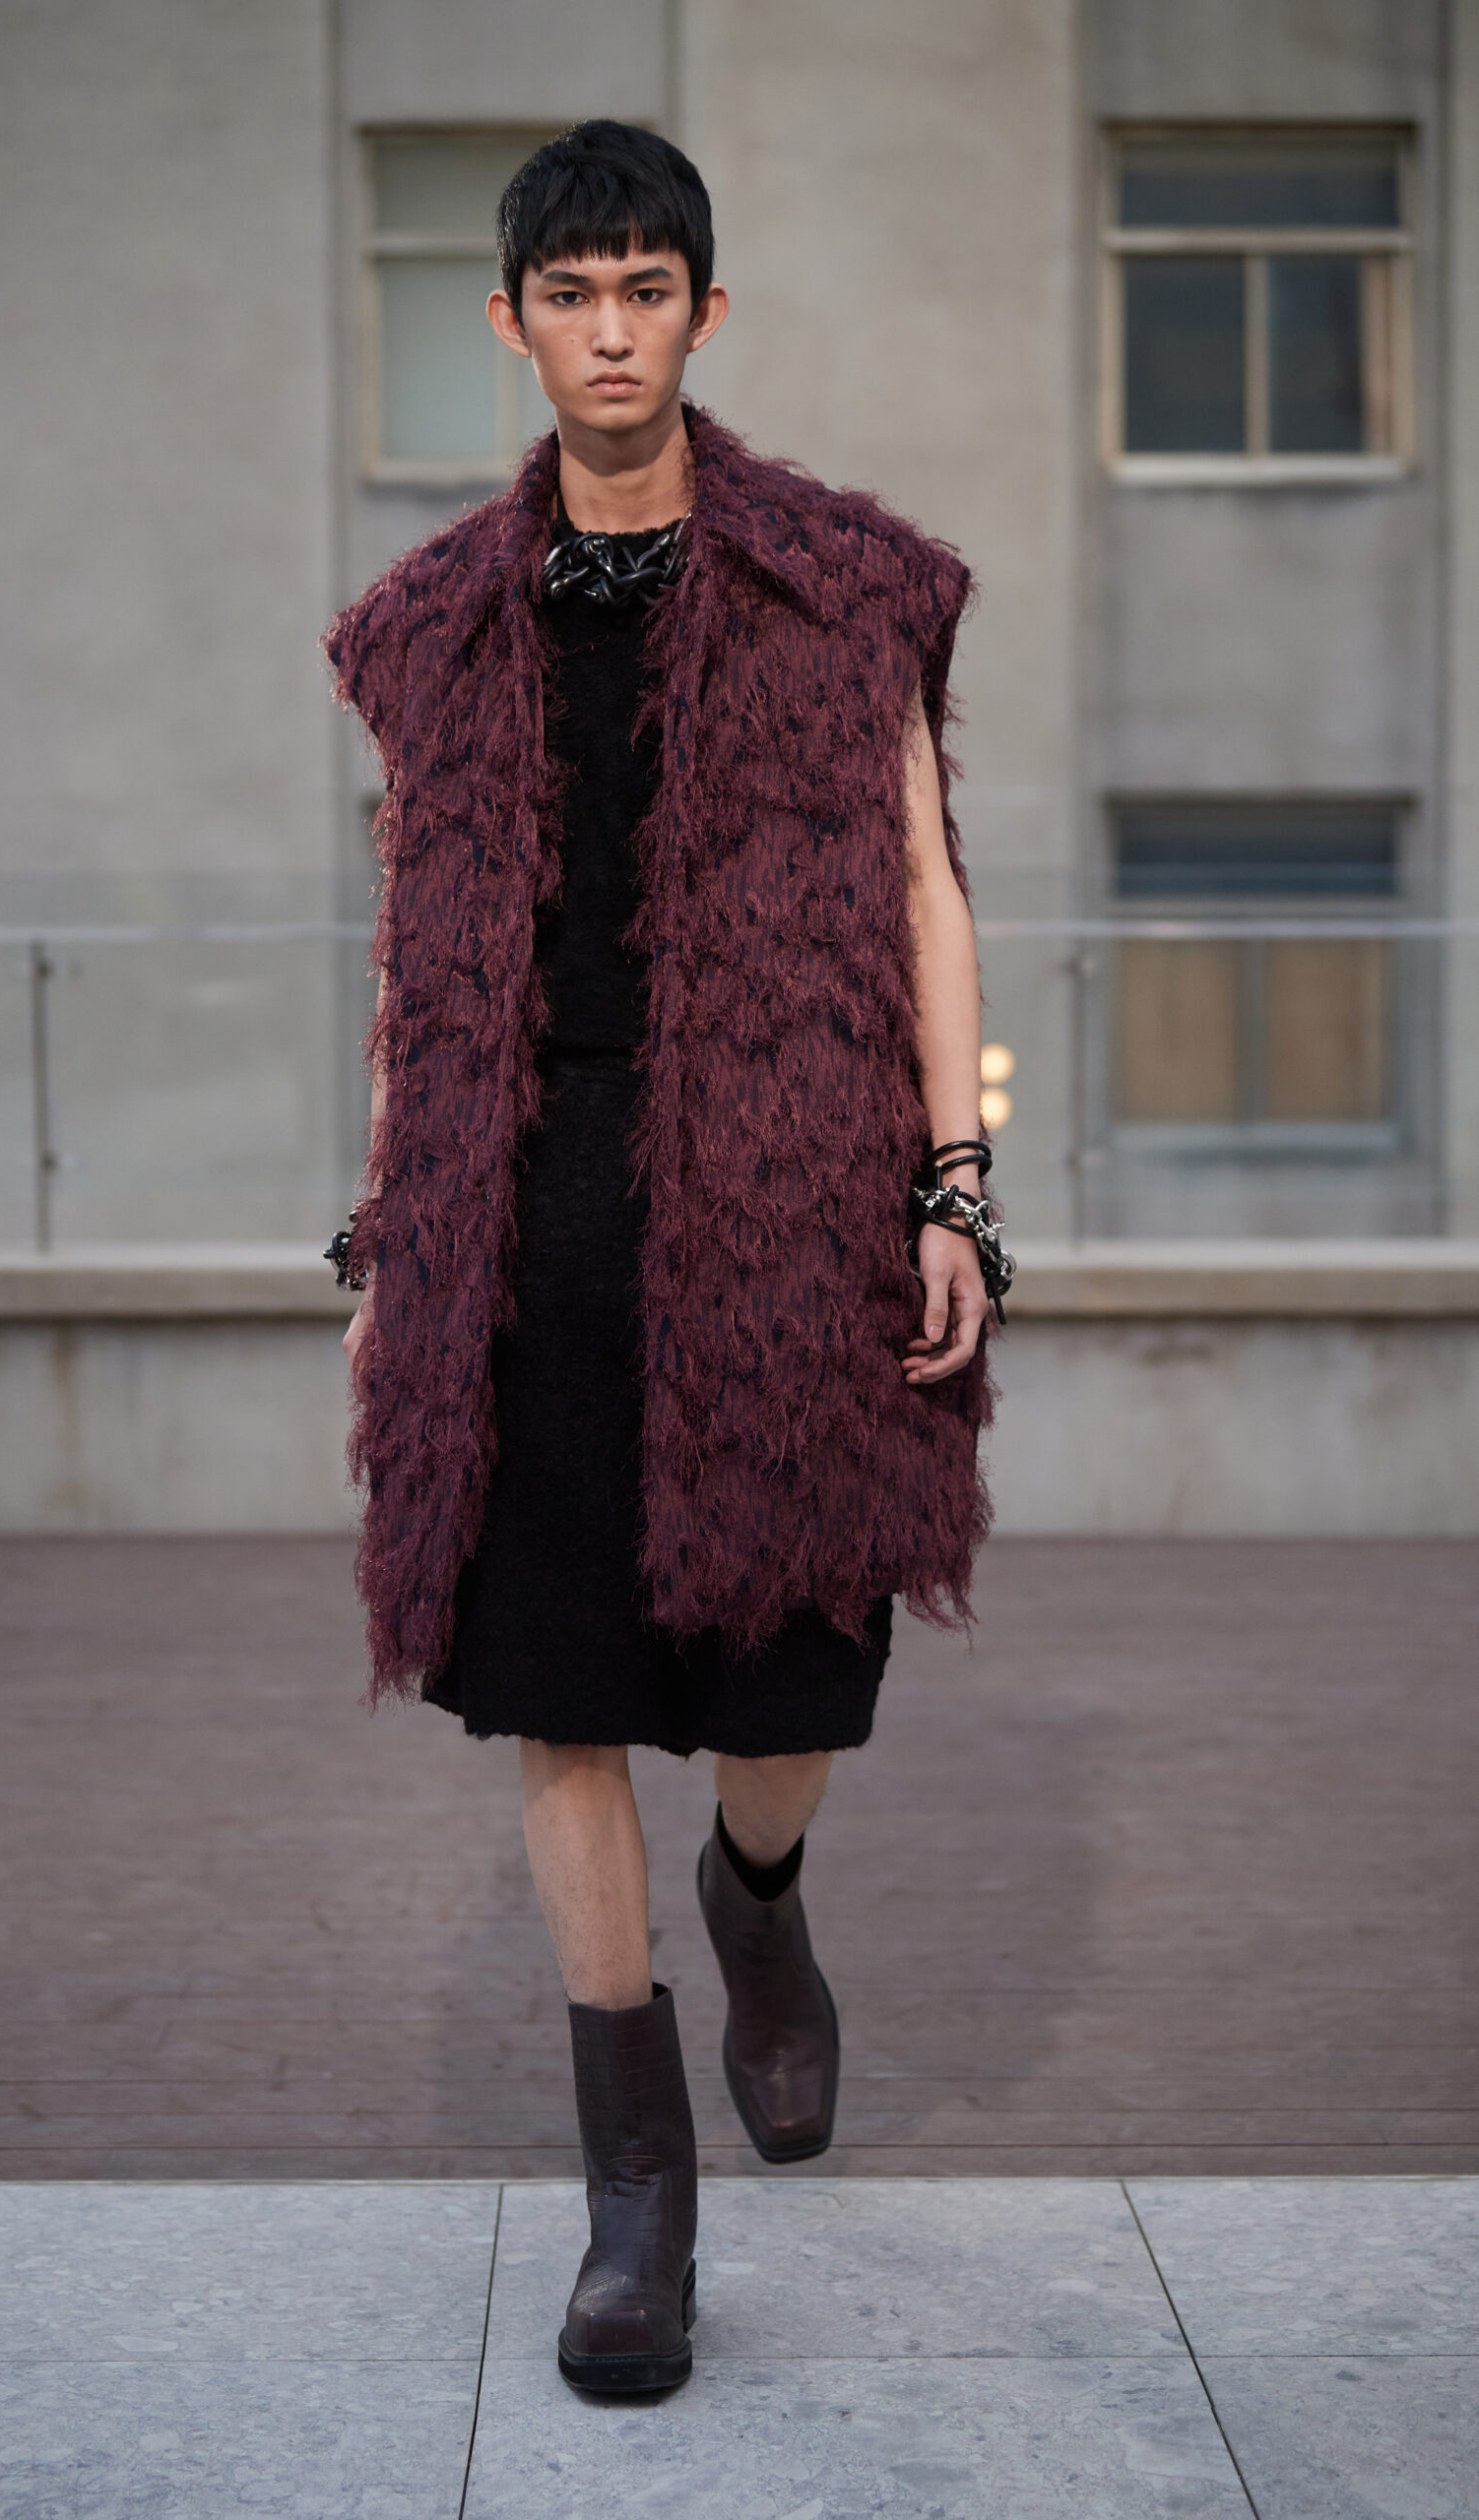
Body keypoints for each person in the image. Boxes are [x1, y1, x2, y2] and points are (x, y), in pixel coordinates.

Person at [324, 120, 1005, 2395]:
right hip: (529, 1198)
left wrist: (952, 1184)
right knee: (557, 1680)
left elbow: (919, 887)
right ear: (509, 322)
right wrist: (391, 1218)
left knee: (790, 1679)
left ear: (704, 314)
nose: (608, 332)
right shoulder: (436, 626)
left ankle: (762, 1896)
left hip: (789, 1182)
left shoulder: (841, 586)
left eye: (645, 290)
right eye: (569, 293)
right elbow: (415, 949)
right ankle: (638, 2197)